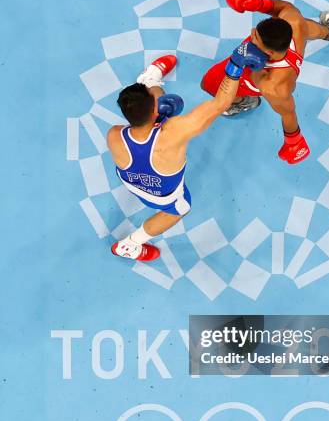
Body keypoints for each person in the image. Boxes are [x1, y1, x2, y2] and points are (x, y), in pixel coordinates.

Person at [107, 43, 267, 262]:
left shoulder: (114, 134)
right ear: (154, 110)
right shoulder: (174, 132)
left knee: (164, 106)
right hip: (166, 199)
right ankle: (130, 245)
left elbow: (147, 122)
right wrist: (235, 66)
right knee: (180, 209)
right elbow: (221, 104)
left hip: (132, 182)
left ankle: (149, 80)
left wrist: (157, 117)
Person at [201, 0, 329, 165]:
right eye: (254, 32)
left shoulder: (274, 87)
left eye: (254, 39)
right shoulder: (292, 22)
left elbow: (288, 113)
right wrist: (259, 3)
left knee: (208, 84)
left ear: (270, 53)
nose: (250, 35)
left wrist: (293, 142)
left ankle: (245, 102)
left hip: (248, 82)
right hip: (289, 45)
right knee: (307, 27)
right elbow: (280, 8)